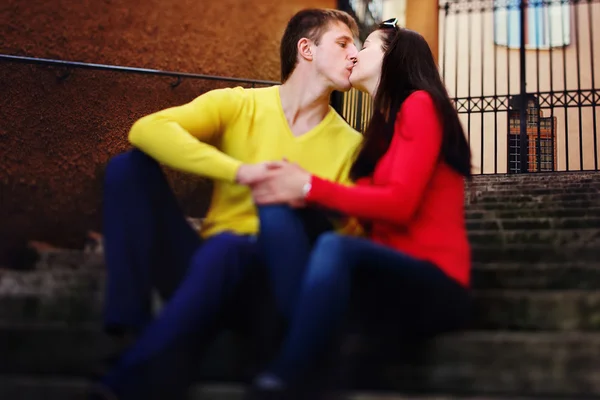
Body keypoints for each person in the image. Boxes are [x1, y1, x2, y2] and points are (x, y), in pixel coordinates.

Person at [94, 8, 362, 400]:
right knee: (128, 169)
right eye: (343, 43)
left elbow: (348, 234)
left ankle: (134, 376)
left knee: (230, 247)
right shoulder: (240, 104)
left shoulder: (352, 144)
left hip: (270, 289)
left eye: (356, 46)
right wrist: (240, 172)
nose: (354, 54)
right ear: (306, 48)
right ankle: (129, 327)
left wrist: (303, 195)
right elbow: (147, 129)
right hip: (208, 265)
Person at [247, 19, 473, 398]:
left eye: (365, 46)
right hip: (386, 274)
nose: (354, 54)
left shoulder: (420, 104)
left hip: (436, 285)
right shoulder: (382, 127)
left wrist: (309, 184)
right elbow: (362, 210)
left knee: (335, 246)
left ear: (394, 58)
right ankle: (295, 345)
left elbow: (399, 205)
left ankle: (290, 371)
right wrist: (298, 193)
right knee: (280, 215)